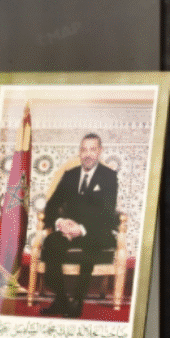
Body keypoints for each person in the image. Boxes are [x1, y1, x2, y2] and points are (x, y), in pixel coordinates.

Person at [40, 133, 119, 318]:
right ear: (79, 152)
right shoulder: (70, 175)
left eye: (92, 149)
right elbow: (52, 205)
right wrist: (60, 222)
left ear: (100, 151)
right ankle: (61, 299)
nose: (88, 154)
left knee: (91, 245)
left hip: (95, 231)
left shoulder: (109, 176)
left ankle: (77, 301)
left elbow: (107, 212)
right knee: (51, 242)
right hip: (68, 230)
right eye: (84, 150)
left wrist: (81, 229)